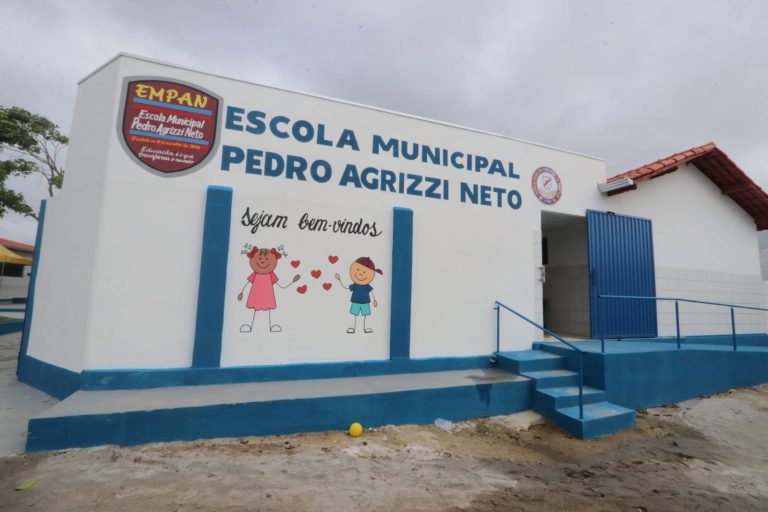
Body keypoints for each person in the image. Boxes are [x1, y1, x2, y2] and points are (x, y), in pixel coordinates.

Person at [238, 246, 300, 333]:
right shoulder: (256, 273)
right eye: (260, 258)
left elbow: (280, 285)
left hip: (268, 295)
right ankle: (251, 326)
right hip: (256, 295)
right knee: (254, 310)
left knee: (268, 311)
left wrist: (291, 282)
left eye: (266, 259)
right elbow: (248, 282)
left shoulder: (271, 274)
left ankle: (270, 326)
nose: (262, 261)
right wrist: (242, 292)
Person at [335, 256, 382, 334]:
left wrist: (374, 300)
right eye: (357, 269)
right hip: (356, 302)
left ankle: (364, 328)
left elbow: (371, 292)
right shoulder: (355, 285)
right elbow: (346, 287)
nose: (360, 273)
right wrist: (339, 280)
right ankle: (353, 328)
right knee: (354, 315)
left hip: (365, 303)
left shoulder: (366, 285)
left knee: (365, 316)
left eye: (364, 272)